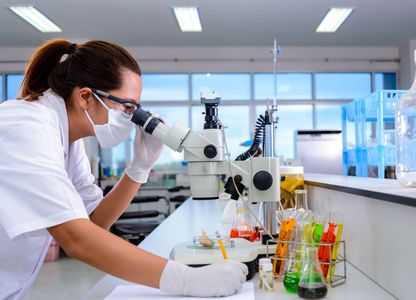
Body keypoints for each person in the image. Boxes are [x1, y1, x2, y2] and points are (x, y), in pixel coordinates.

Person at [0, 39, 248, 300]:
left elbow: (94, 222)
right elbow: (76, 239)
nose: (132, 118)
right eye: (127, 107)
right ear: (86, 97)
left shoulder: (70, 143)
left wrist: (138, 169)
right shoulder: (26, 129)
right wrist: (186, 279)